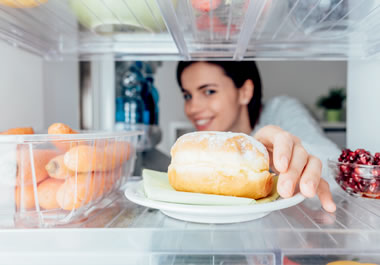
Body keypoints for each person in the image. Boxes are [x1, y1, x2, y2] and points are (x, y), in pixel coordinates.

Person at [176, 61, 341, 213]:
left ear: (245, 91)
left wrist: (277, 158)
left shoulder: (281, 109)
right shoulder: (196, 150)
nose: (193, 108)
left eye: (209, 91)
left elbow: (332, 162)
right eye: (187, 96)